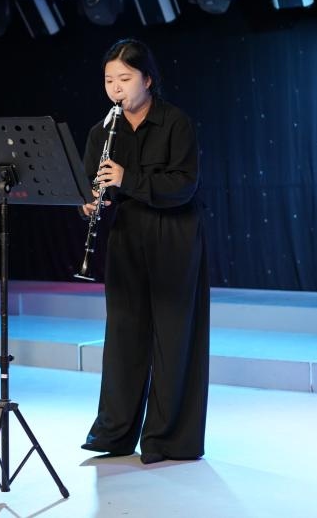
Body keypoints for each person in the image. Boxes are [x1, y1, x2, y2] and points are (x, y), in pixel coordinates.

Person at [79, 39, 210, 465]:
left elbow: (183, 185)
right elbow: (90, 188)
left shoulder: (175, 122)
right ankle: (115, 433)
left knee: (173, 338)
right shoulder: (101, 132)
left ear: (148, 79)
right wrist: (88, 204)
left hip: (174, 235)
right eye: (108, 80)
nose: (115, 88)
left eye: (125, 78)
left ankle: (169, 439)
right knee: (124, 336)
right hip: (127, 236)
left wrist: (127, 178)